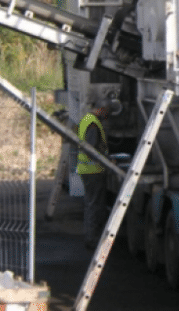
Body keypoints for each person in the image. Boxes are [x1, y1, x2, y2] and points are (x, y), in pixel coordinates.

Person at [77, 106, 109, 249]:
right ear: (100, 109)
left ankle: (92, 237)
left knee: (91, 203)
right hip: (93, 171)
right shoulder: (93, 124)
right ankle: (92, 239)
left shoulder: (86, 120)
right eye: (107, 111)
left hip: (87, 170)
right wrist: (106, 160)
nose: (107, 115)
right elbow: (91, 151)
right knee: (94, 205)